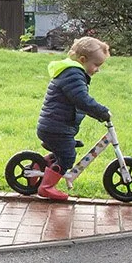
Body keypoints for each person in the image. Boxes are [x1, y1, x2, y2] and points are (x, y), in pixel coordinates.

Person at [34, 36, 112, 201]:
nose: (97, 69)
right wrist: (101, 112)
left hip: (56, 125)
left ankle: (36, 166)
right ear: (83, 60)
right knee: (68, 156)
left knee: (62, 152)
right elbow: (81, 100)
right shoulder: (73, 74)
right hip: (56, 126)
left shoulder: (72, 73)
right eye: (96, 65)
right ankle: (46, 187)